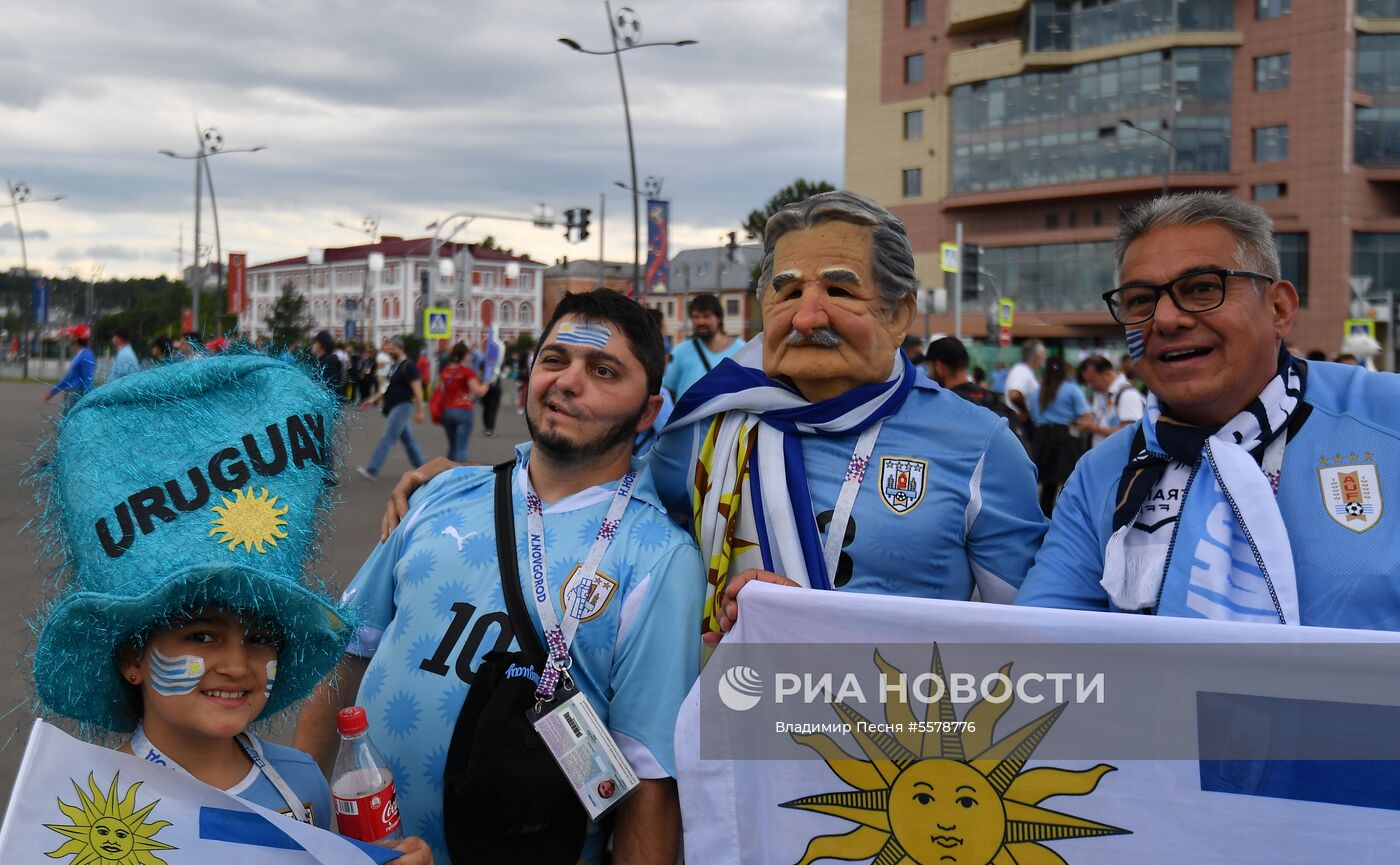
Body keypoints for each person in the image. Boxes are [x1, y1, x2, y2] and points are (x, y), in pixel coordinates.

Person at [381, 192, 1046, 639]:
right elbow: (602, 493)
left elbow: (1044, 640)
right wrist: (471, 482)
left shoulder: (980, 444)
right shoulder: (713, 420)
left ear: (901, 313)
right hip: (732, 756)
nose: (806, 315)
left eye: (839, 290)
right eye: (786, 292)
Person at [295, 288, 705, 865]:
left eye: (604, 370)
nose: (568, 381)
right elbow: (346, 658)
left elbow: (650, 778)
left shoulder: (658, 557)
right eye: (555, 359)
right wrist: (302, 826)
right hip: (362, 852)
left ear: (647, 410)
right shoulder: (440, 493)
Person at [27, 353, 432, 863]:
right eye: (200, 635)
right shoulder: (84, 813)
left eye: (260, 638)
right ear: (132, 658)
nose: (238, 665)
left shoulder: (304, 781)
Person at [1017, 192, 1400, 630]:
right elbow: (1044, 648)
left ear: (1279, 308)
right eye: (1140, 299)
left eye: (1201, 288)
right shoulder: (1100, 474)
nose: (1165, 319)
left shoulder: (1388, 419)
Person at [925, 335, 1029, 452]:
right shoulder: (992, 399)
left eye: (930, 368)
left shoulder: (944, 405)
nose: (929, 374)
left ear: (939, 367)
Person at [1027, 355, 1092, 515]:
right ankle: (1066, 518)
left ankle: (1045, 517)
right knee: (1067, 481)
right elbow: (1085, 416)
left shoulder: (1037, 392)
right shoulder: (1072, 389)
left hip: (1042, 438)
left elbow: (1034, 417)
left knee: (1047, 483)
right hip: (1065, 438)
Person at [357, 337, 425, 481]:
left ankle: (372, 469)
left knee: (387, 437)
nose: (389, 351)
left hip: (402, 407)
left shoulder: (408, 366)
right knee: (409, 441)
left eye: (392, 348)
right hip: (395, 407)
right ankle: (423, 468)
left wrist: (420, 411)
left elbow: (417, 390)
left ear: (401, 348)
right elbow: (384, 388)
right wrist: (371, 400)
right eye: (388, 349)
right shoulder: (394, 366)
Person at [660, 293, 746, 400]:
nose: (700, 322)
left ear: (718, 318)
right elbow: (667, 391)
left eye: (706, 316)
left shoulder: (742, 349)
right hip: (689, 416)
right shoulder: (681, 351)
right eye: (696, 317)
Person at [435, 341, 489, 461]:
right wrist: (486, 384)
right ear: (465, 355)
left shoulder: (446, 371)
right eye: (469, 354)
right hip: (463, 411)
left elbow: (441, 392)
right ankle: (460, 475)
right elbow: (479, 391)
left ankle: (447, 473)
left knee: (453, 446)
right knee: (461, 447)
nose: (470, 356)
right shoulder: (466, 371)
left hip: (447, 411)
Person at [1077, 354, 1145, 448]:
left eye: (1092, 381)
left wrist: (1094, 429)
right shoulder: (1102, 395)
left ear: (1107, 373)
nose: (1090, 386)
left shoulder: (1128, 395)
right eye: (1087, 382)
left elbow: (1131, 434)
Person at [44, 324, 96, 404]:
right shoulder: (79, 355)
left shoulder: (86, 356)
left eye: (72, 335)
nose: (70, 337)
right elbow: (68, 378)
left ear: (76, 338)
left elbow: (88, 380)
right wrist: (52, 392)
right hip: (71, 393)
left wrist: (88, 403)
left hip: (77, 394)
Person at [1004, 339, 1045, 425]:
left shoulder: (1025, 371)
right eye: (1042, 354)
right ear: (1036, 357)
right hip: (1021, 422)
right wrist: (1025, 411)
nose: (1044, 357)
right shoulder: (1022, 371)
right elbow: (1014, 394)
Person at [309, 330, 344, 397]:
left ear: (320, 345)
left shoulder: (331, 360)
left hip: (329, 403)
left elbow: (330, 384)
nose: (313, 345)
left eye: (314, 343)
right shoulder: (319, 361)